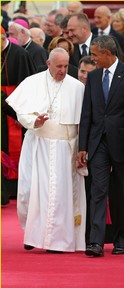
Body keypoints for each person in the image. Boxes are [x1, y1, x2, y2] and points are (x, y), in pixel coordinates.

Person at [6, 48, 87, 253]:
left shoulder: (77, 87)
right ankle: (32, 233)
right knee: (28, 192)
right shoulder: (32, 82)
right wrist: (34, 120)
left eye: (66, 66)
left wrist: (81, 150)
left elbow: (82, 123)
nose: (62, 70)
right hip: (38, 144)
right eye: (58, 66)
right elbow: (21, 113)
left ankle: (57, 242)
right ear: (48, 63)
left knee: (59, 196)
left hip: (65, 148)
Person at [77, 35, 124, 257]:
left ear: (108, 53)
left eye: (95, 54)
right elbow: (86, 113)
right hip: (98, 143)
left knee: (121, 193)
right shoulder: (94, 76)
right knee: (97, 191)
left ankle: (121, 239)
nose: (93, 58)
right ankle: (95, 242)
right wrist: (82, 146)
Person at [1, 25, 36, 206]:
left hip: (11, 109)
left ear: (3, 38)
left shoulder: (20, 55)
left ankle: (13, 188)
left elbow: (27, 87)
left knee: (12, 148)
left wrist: (22, 113)